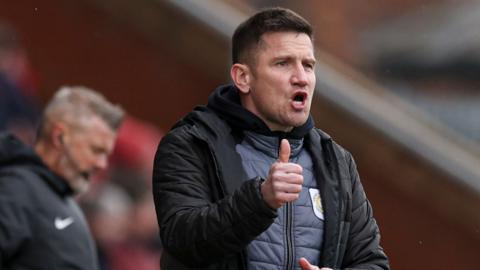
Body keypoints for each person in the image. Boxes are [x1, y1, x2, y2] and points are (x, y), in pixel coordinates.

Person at [152, 7, 389, 270]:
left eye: (308, 65)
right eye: (283, 63)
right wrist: (260, 201)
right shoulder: (193, 144)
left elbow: (371, 262)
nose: (301, 78)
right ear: (243, 77)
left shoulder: (336, 161)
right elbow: (182, 242)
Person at [0, 86, 125, 269]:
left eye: (106, 155)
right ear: (59, 137)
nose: (102, 164)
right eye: (96, 150)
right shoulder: (16, 189)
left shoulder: (64, 201)